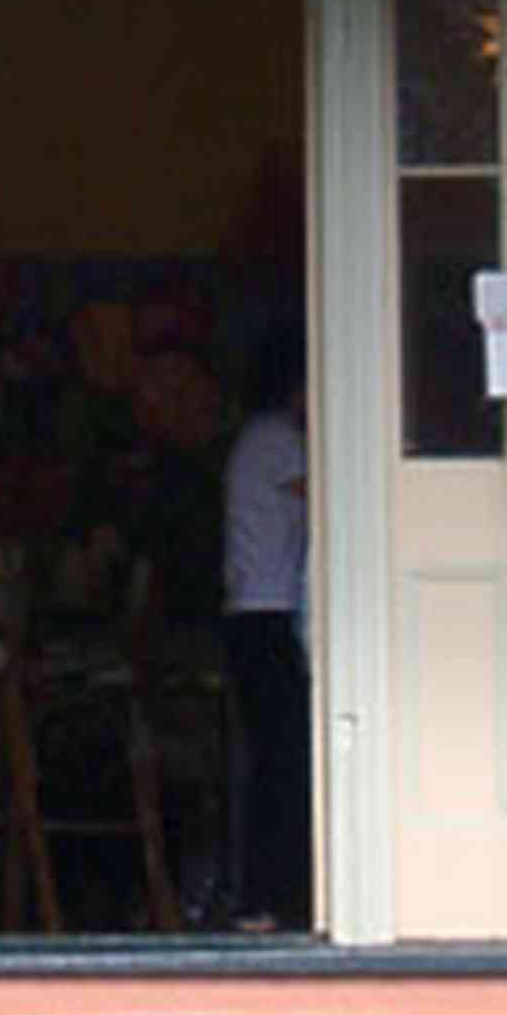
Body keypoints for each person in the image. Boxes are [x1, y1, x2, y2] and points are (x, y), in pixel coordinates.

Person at [221, 327, 311, 932]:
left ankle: (269, 896)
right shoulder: (276, 440)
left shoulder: (259, 440)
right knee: (282, 760)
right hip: (267, 615)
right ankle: (265, 898)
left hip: (257, 614)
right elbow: (336, 491)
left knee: (277, 757)